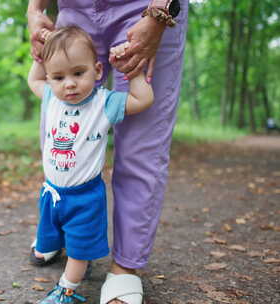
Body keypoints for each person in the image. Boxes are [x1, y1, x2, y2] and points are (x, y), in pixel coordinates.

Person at [27, 1, 188, 303]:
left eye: (78, 74)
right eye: (59, 77)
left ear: (97, 72)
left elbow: (142, 101)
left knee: (143, 146)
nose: (70, 84)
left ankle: (124, 267)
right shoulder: (51, 94)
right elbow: (36, 78)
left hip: (144, 7)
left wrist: (135, 74)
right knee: (51, 201)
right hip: (74, 7)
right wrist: (36, 15)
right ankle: (55, 238)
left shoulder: (103, 102)